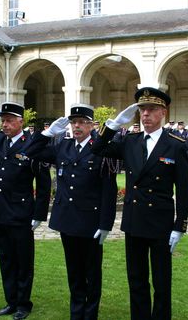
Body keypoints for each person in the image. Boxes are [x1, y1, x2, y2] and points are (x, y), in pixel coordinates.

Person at [91, 87, 188, 320]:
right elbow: (98, 148)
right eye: (142, 109)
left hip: (161, 223)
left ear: (163, 112)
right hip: (134, 220)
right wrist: (113, 125)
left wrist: (180, 225)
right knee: (136, 279)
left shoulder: (176, 144)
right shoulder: (131, 141)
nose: (145, 114)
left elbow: (183, 189)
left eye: (151, 109)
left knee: (161, 281)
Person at [26, 104, 117, 320]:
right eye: (73, 122)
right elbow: (30, 151)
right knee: (74, 271)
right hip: (67, 220)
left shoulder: (101, 148)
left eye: (82, 122)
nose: (76, 126)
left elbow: (108, 190)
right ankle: (77, 313)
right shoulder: (63, 147)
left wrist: (106, 224)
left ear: (92, 125)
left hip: (91, 222)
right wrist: (47, 134)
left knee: (92, 273)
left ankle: (90, 313)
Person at [0, 102, 51, 320]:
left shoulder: (33, 143)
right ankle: (11, 301)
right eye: (2, 120)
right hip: (0, 211)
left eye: (9, 120)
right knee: (6, 259)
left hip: (22, 213)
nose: (4, 124)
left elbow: (43, 183)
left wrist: (39, 214)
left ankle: (24, 304)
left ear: (20, 122)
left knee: (23, 262)